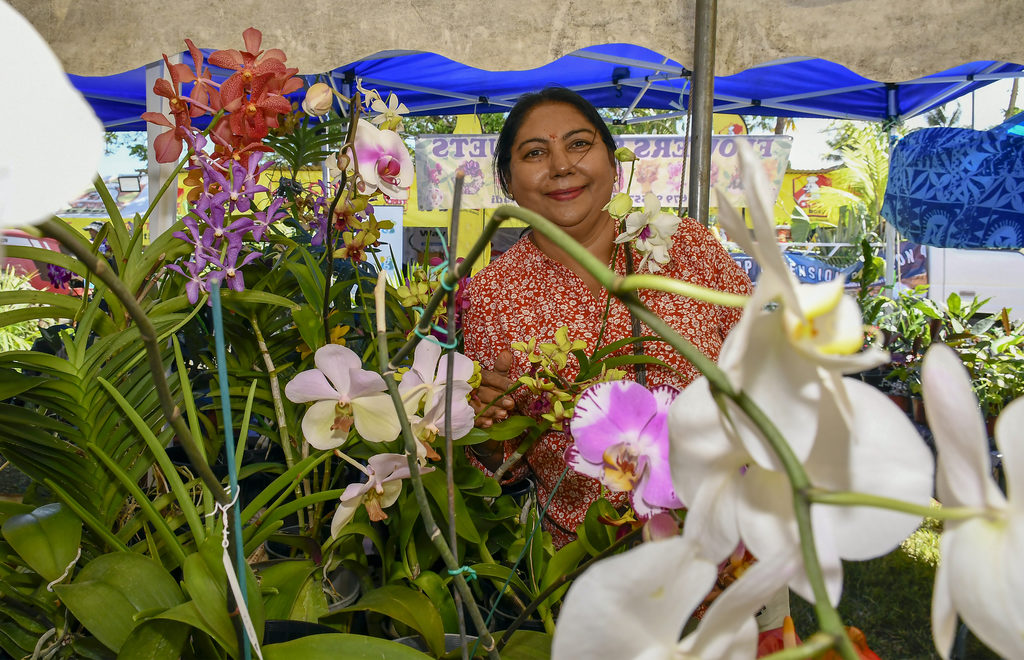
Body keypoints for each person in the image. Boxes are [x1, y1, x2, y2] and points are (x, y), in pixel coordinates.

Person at [462, 87, 753, 547]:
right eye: (535, 152)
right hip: (583, 553)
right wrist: (481, 422)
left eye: (579, 143)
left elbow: (761, 359)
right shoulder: (491, 293)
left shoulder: (684, 246)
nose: (561, 167)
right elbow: (496, 463)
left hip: (725, 529)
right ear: (507, 182)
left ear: (614, 164)